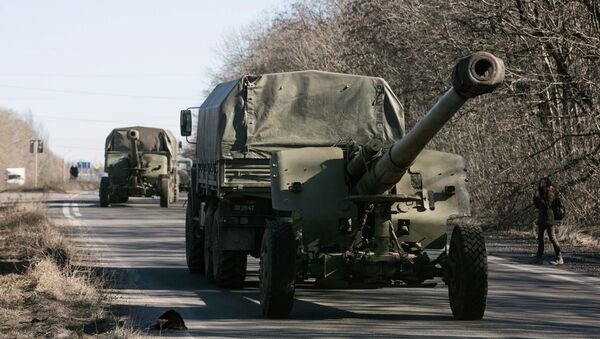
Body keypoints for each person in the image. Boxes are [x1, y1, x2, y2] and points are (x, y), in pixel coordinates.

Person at [531, 177, 563, 265]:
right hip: (542, 219)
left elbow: (547, 205)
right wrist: (535, 197)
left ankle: (559, 257)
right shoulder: (543, 193)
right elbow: (537, 205)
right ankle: (539, 257)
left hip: (549, 219)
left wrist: (539, 197)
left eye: (543, 185)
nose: (541, 186)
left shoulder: (551, 193)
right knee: (540, 238)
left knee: (552, 238)